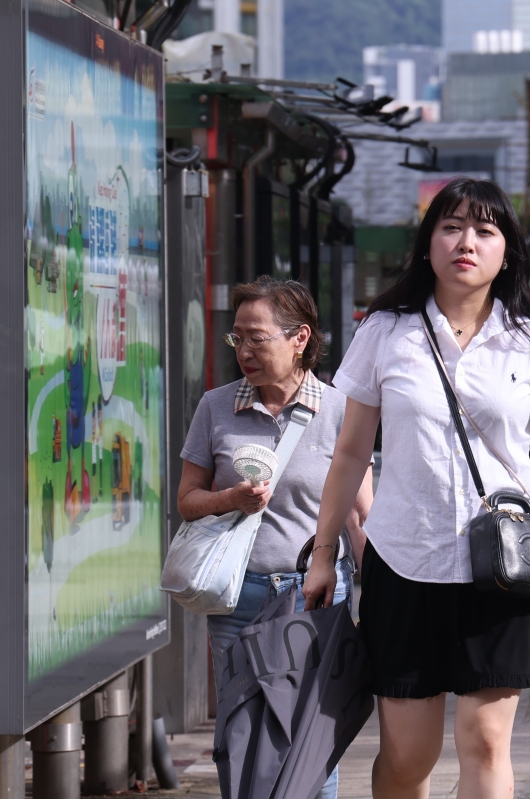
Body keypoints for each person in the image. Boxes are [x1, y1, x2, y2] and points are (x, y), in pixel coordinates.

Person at [302, 178, 530, 799]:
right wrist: (323, 553)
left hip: (508, 565)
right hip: (405, 560)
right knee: (409, 755)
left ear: (507, 252)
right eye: (451, 227)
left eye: (485, 231)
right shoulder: (385, 330)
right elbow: (351, 451)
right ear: (428, 243)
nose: (466, 242)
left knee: (486, 741)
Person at [178, 276, 373, 799]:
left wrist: (378, 597)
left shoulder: (341, 410)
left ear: (299, 338)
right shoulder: (216, 407)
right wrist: (229, 499)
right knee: (240, 732)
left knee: (310, 734)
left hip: (314, 597)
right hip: (238, 596)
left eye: (257, 338)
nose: (244, 350)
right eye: (237, 337)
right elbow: (187, 500)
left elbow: (361, 515)